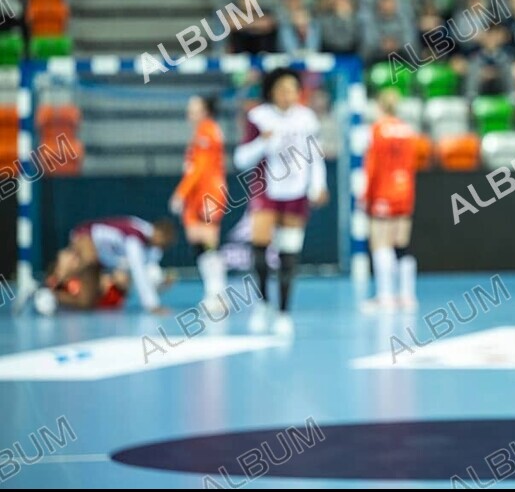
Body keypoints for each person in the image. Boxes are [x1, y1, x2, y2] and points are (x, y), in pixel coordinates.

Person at [234, 68, 330, 336]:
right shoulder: (259, 117)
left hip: (296, 192)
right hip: (266, 191)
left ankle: (284, 312)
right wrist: (262, 143)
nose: (289, 95)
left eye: (293, 90)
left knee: (289, 255)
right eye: (283, 89)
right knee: (260, 250)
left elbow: (316, 156)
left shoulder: (306, 118)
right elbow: (241, 160)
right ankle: (263, 303)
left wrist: (318, 185)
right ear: (272, 91)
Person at [34, 217, 177, 315]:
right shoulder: (135, 239)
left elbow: (148, 273)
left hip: (100, 258)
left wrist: (161, 283)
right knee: (90, 258)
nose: (162, 245)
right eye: (163, 240)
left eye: (166, 244)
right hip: (86, 235)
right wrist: (152, 306)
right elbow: (139, 273)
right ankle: (46, 284)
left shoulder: (154, 249)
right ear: (157, 232)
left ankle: (47, 295)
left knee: (86, 303)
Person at [362, 89, 419, 311]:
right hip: (405, 189)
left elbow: (372, 166)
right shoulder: (408, 130)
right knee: (402, 243)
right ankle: (407, 296)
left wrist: (367, 195)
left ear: (379, 106)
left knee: (380, 242)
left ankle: (384, 296)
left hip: (383, 190)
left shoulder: (376, 130)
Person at [169, 96, 228, 312]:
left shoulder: (207, 131)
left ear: (205, 111)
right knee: (199, 243)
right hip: (199, 195)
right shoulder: (203, 131)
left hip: (208, 194)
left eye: (193, 108)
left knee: (208, 242)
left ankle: (218, 294)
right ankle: (214, 293)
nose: (189, 112)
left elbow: (200, 168)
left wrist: (180, 193)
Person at [465, 23, 515, 99]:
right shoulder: (475, 58)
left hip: (501, 94)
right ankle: (471, 100)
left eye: (494, 36)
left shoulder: (507, 57)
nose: (491, 40)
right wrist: (482, 74)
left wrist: (497, 73)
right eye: (489, 36)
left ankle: (513, 100)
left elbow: (509, 79)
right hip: (480, 95)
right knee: (473, 69)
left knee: (509, 68)